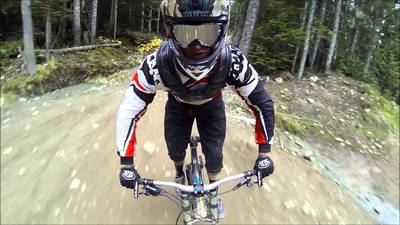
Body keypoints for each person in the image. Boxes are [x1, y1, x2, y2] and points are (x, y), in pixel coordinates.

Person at [116, 0, 275, 218]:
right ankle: (182, 173)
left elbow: (263, 103)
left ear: (222, 31)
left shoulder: (158, 64)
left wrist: (127, 163)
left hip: (204, 106)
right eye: (186, 32)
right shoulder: (229, 61)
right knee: (175, 149)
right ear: (170, 32)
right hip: (186, 105)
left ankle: (201, 184)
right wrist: (264, 152)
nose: (197, 43)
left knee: (214, 155)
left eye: (208, 32)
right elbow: (129, 109)